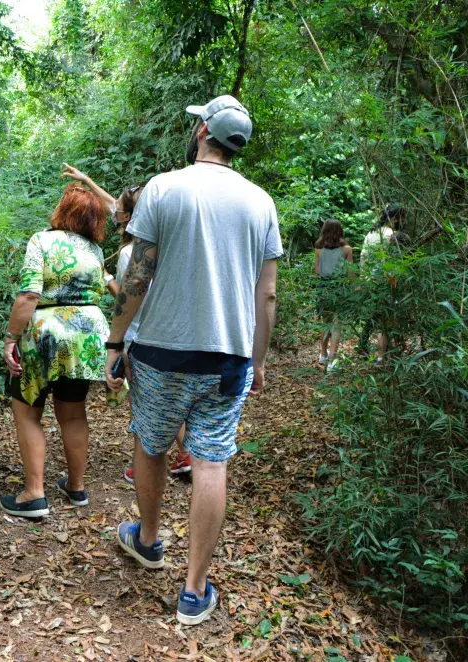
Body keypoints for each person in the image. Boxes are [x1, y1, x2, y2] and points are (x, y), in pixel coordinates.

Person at [104, 95, 281, 626]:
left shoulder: (164, 188)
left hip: (160, 349)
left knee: (152, 445)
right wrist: (259, 359)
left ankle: (150, 540)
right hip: (227, 357)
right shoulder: (261, 203)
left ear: (203, 130)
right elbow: (267, 295)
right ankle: (194, 590)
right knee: (210, 461)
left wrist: (116, 341)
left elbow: (137, 277)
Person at [60, 164, 191, 481]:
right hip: (171, 331)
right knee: (171, 399)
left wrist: (106, 280)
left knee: (142, 403)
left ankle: (143, 466)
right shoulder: (167, 245)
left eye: (119, 208)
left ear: (132, 216)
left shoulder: (131, 253)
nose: (112, 210)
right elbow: (114, 204)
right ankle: (187, 453)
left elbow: (128, 296)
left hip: (138, 335)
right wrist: (87, 179)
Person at [0, 184, 111, 519]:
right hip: (87, 336)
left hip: (46, 334)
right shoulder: (95, 250)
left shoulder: (42, 240)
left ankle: (34, 494)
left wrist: (10, 338)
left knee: (27, 411)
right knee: (74, 412)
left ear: (64, 210)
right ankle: (75, 487)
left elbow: (29, 295)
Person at [359, 204, 407, 358]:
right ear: (395, 218)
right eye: (401, 218)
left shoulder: (370, 234)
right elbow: (393, 261)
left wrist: (363, 278)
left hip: (370, 279)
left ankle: (365, 346)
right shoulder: (392, 235)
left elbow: (363, 257)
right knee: (386, 320)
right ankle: (382, 355)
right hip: (387, 280)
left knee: (374, 315)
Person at [314, 219, 354, 371]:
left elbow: (317, 271)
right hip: (339, 288)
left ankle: (322, 355)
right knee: (336, 324)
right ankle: (332, 361)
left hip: (323, 287)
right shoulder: (347, 250)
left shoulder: (318, 249)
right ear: (340, 232)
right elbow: (351, 274)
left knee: (325, 323)